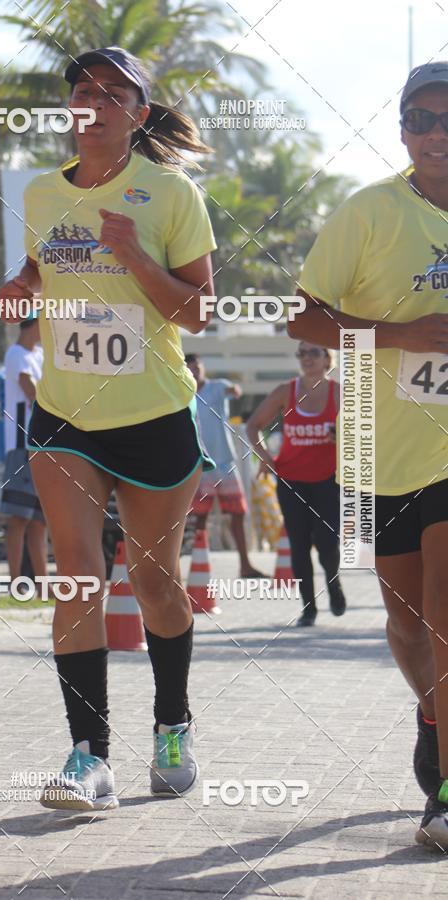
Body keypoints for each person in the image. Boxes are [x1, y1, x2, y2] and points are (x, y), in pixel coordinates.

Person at [0, 46, 217, 810]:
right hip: (66, 417)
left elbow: (198, 310)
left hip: (155, 415)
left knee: (156, 585)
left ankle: (173, 724)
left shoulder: (170, 193)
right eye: (82, 89)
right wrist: (21, 283)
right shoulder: (37, 192)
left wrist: (132, 255)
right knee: (78, 574)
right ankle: (88, 757)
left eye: (113, 91)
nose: (94, 100)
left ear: (138, 114)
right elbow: (41, 266)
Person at [288, 62, 448, 847]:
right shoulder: (371, 212)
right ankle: (431, 712)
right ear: (402, 130)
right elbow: (303, 320)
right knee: (410, 625)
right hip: (390, 453)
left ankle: (447, 791)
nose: (437, 134)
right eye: (421, 119)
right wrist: (400, 335)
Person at [246, 342, 345, 626]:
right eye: (301, 353)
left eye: (313, 352)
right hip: (291, 480)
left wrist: (341, 435)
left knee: (327, 543)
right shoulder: (285, 392)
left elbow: (363, 429)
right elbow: (253, 425)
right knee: (298, 545)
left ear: (328, 358)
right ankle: (308, 607)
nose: (306, 358)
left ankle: (333, 585)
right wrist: (265, 456)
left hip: (328, 479)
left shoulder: (339, 393)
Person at [184, 353, 265, 578]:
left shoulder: (218, 387)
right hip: (201, 464)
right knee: (199, 517)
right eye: (190, 368)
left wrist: (235, 390)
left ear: (203, 368)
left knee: (237, 514)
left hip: (225, 462)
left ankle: (245, 565)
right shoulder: (183, 392)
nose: (195, 371)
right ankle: (199, 569)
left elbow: (234, 389)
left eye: (197, 367)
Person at [0, 316, 48, 584]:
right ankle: (16, 581)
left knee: (39, 521)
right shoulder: (16, 354)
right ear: (32, 324)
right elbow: (33, 393)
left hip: (42, 445)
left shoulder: (40, 354)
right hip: (22, 444)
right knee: (19, 518)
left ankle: (42, 584)